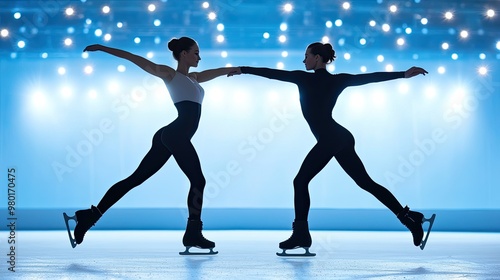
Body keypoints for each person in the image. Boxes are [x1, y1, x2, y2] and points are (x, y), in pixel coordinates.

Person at [234, 42, 434, 253]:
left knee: (300, 181)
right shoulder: (336, 80)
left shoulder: (303, 78)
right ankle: (410, 219)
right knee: (365, 182)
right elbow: (368, 78)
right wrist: (402, 74)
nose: (304, 61)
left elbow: (272, 73)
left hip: (331, 137)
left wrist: (243, 69)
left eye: (307, 56)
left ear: (317, 58)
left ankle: (301, 234)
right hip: (340, 137)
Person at [63, 37, 238, 254]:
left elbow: (216, 71)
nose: (199, 57)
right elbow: (136, 59)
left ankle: (89, 217)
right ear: (183, 54)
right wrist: (102, 48)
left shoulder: (194, 78)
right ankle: (193, 233)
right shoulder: (169, 74)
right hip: (174, 135)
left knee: (135, 179)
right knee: (198, 180)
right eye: (195, 52)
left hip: (171, 135)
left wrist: (238, 69)